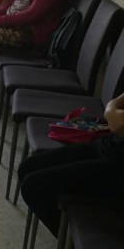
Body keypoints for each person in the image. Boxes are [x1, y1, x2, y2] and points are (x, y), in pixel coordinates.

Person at [19, 92, 124, 239]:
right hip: (110, 146)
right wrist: (111, 109)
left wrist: (113, 113)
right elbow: (115, 108)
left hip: (118, 168)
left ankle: (73, 246)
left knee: (33, 186)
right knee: (27, 167)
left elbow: (118, 122)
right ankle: (68, 238)